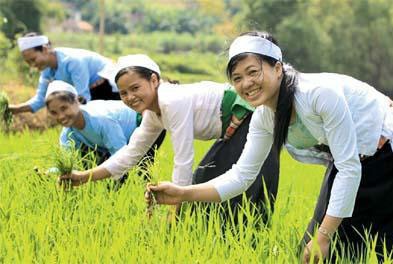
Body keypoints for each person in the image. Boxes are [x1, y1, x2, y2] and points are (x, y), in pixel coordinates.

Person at [145, 31, 393, 262]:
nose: (246, 83)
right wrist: (183, 193)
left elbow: (349, 169)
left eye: (253, 72)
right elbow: (242, 176)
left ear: (277, 68)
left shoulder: (318, 95)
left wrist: (324, 235)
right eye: (237, 78)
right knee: (313, 253)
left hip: (384, 153)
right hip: (352, 164)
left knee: (369, 249)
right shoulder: (264, 117)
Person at [59, 54, 279, 217]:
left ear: (154, 80)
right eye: (124, 93)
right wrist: (83, 177)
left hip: (247, 117)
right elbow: (130, 154)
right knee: (204, 182)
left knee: (211, 183)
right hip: (233, 129)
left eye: (135, 88)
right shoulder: (153, 114)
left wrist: (174, 212)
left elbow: (183, 159)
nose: (130, 97)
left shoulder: (171, 101)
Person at [45, 80, 165, 183]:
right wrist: (48, 174)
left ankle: (149, 200)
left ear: (76, 101)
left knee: (139, 170)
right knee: (97, 168)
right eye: (54, 113)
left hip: (145, 123)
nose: (61, 116)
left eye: (64, 108)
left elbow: (121, 155)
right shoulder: (67, 133)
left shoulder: (100, 119)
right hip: (121, 142)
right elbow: (69, 164)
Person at [9, 32, 120, 115]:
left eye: (33, 60)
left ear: (44, 49)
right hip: (90, 92)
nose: (32, 65)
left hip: (107, 86)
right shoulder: (47, 71)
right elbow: (41, 99)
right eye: (28, 62)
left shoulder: (72, 61)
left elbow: (83, 98)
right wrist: (13, 109)